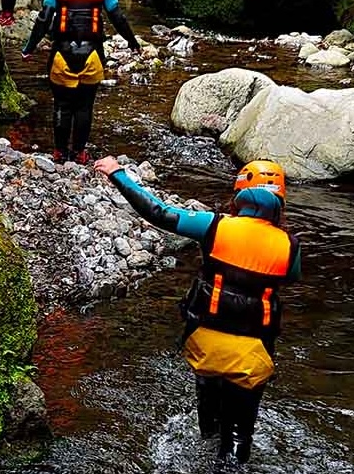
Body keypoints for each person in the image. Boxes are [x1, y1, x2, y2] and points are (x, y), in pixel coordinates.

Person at [92, 157, 301, 471]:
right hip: (254, 352)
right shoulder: (290, 246)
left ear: (240, 194)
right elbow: (290, 278)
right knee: (237, 437)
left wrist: (118, 174)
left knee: (210, 421)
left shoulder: (214, 225)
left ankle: (203, 444)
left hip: (205, 341)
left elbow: (157, 212)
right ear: (280, 202)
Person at [21, 0, 140, 164]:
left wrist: (29, 47)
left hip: (61, 54)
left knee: (62, 105)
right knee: (84, 107)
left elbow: (44, 19)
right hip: (92, 55)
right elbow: (118, 17)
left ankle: (59, 152)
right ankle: (78, 152)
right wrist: (132, 42)